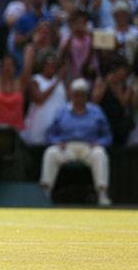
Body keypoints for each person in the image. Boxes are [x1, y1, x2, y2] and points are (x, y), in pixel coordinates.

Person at [40, 78, 113, 206]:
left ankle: (102, 194)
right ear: (71, 95)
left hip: (89, 148)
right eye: (76, 94)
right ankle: (45, 194)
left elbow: (107, 136)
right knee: (50, 153)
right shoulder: (62, 112)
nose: (79, 98)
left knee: (100, 154)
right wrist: (56, 142)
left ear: (86, 96)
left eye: (82, 94)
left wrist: (99, 142)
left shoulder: (96, 111)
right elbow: (50, 134)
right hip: (66, 147)